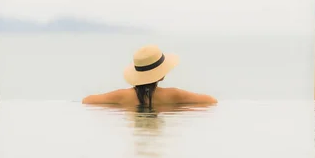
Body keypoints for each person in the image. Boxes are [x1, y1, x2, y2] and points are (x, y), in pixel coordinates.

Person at [82, 45, 217, 106]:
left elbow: (86, 101)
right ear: (161, 74)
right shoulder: (174, 95)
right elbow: (212, 101)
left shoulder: (122, 96)